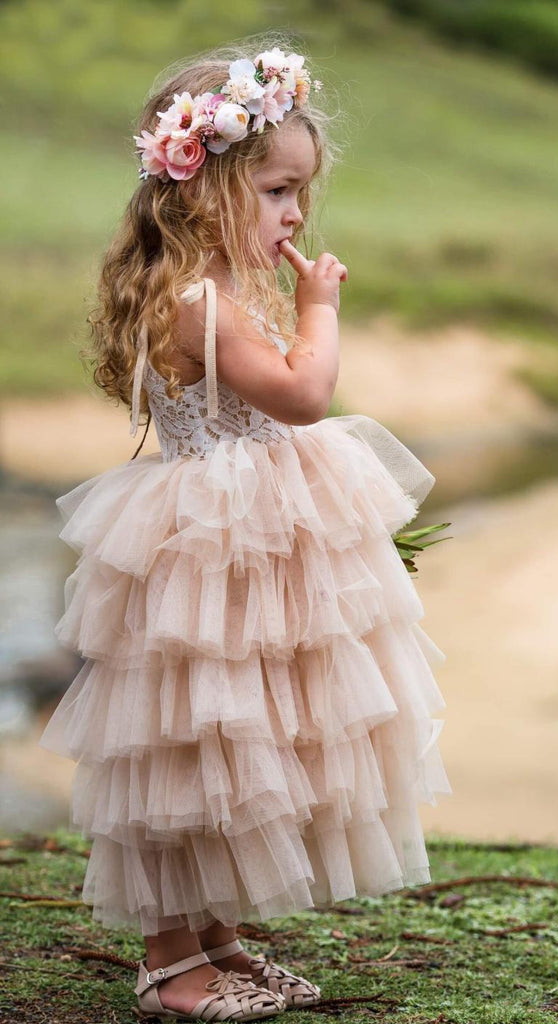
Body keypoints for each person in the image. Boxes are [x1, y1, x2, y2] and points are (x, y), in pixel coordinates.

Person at [38, 36, 452, 1022]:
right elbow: (304, 395)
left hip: (257, 535)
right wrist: (319, 309)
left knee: (254, 740)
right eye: (274, 191)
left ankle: (216, 934)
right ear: (200, 188)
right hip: (210, 546)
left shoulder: (227, 291)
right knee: (192, 747)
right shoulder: (197, 306)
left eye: (298, 191)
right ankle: (169, 959)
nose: (296, 213)